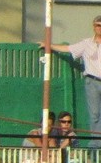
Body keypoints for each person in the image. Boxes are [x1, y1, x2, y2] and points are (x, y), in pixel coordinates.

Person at [40, 16, 101, 147]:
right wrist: (48, 45)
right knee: (94, 114)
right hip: (92, 80)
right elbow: (68, 49)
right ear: (93, 27)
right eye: (97, 25)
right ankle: (96, 143)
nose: (99, 28)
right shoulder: (87, 43)